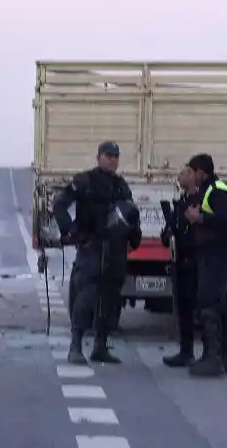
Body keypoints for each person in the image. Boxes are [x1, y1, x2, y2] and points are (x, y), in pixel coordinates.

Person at [53, 141, 142, 365]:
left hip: (115, 250)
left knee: (110, 301)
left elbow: (131, 213)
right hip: (91, 247)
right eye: (108, 155)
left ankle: (100, 347)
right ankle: (75, 346)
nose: (112, 160)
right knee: (86, 297)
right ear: (99, 157)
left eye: (116, 156)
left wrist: (135, 237)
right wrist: (70, 230)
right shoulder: (85, 181)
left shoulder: (121, 186)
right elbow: (60, 204)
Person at [182, 153, 227, 378]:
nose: (191, 176)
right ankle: (216, 357)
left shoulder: (218, 190)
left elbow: (225, 220)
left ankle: (214, 359)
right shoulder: (207, 190)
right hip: (208, 254)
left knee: (210, 304)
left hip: (217, 255)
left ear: (201, 172)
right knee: (215, 305)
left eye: (192, 171)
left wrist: (200, 218)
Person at [160, 166, 204, 368]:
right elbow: (172, 231)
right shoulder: (181, 201)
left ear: (193, 175)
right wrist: (168, 232)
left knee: (200, 308)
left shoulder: (200, 200)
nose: (179, 177)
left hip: (195, 261)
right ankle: (186, 352)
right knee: (183, 309)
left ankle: (208, 353)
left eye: (183, 173)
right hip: (180, 261)